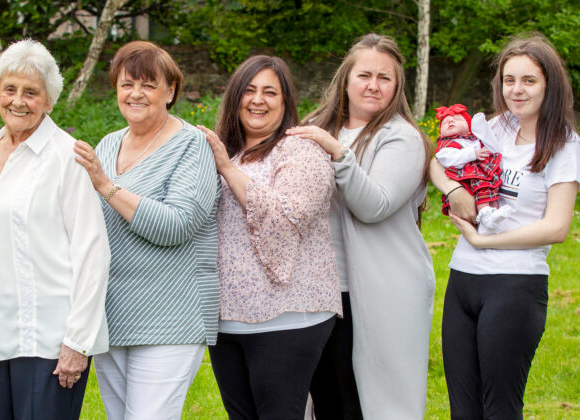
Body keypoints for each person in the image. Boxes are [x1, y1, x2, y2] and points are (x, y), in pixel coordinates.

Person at [429, 34, 580, 419]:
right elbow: (435, 160)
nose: (517, 90)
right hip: (463, 279)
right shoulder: (490, 128)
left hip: (515, 285)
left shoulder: (564, 146)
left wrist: (485, 242)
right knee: (462, 410)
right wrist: (453, 190)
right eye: (509, 80)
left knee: (499, 408)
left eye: (529, 80)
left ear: (550, 83)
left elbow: (556, 227)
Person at [0, 39, 111, 419]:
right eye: (10, 89)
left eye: (31, 92)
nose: (18, 101)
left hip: (50, 342)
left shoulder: (68, 155)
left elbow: (92, 252)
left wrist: (78, 341)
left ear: (49, 101)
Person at [287, 33, 435, 418]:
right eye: (364, 75)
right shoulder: (316, 125)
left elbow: (375, 205)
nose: (373, 85)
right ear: (346, 79)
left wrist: (337, 152)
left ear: (397, 86)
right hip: (321, 289)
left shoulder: (402, 138)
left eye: (384, 78)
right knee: (326, 394)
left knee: (373, 400)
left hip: (380, 288)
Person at [73, 41, 220, 419]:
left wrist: (107, 186)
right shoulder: (107, 145)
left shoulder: (191, 145)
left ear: (170, 91)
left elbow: (179, 224)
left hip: (171, 316)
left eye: (148, 85)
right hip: (111, 315)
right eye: (126, 84)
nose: (135, 93)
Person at [196, 55, 342, 419]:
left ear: (285, 101)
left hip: (288, 315)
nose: (257, 100)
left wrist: (227, 170)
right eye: (248, 90)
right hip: (227, 317)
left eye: (269, 92)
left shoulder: (301, 150)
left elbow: (286, 218)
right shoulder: (226, 151)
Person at [434, 104, 511, 233]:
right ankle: (485, 215)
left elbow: (492, 148)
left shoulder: (474, 139)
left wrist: (481, 128)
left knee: (490, 192)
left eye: (457, 119)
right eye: (446, 122)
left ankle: (492, 218)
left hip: (481, 173)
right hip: (466, 177)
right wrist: (472, 154)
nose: (451, 121)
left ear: (469, 127)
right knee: (480, 188)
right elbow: (446, 158)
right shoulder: (446, 144)